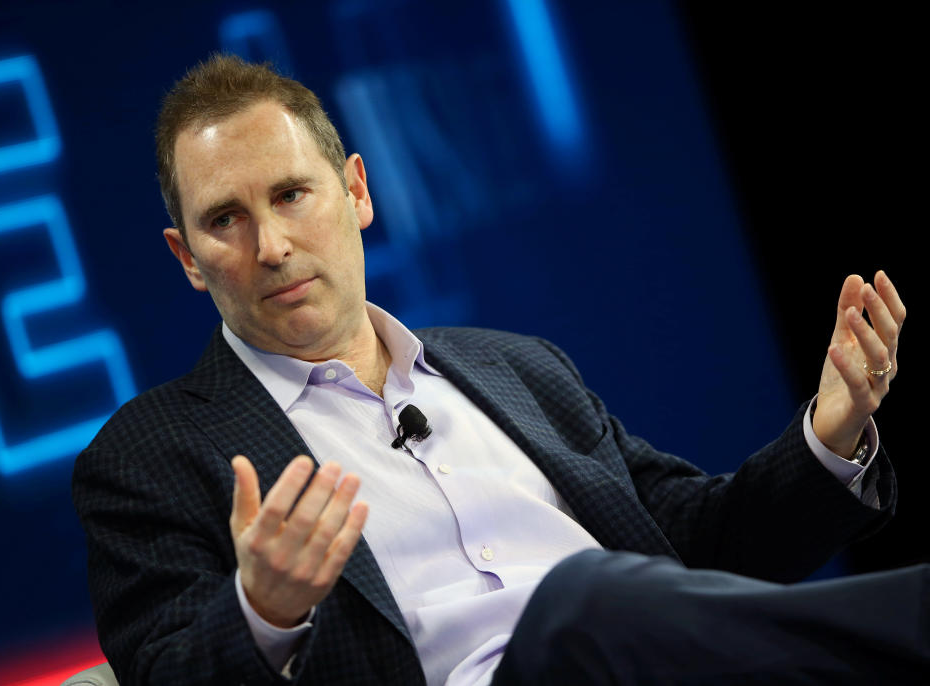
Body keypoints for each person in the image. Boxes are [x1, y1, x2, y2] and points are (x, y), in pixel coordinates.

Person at [72, 55, 924, 685]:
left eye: (291, 194)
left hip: (648, 655)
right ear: (187, 258)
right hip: (554, 646)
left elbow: (700, 549)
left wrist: (832, 431)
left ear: (357, 192)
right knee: (583, 602)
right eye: (226, 219)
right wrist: (264, 607)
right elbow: (166, 670)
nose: (273, 246)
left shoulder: (515, 367)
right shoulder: (146, 456)